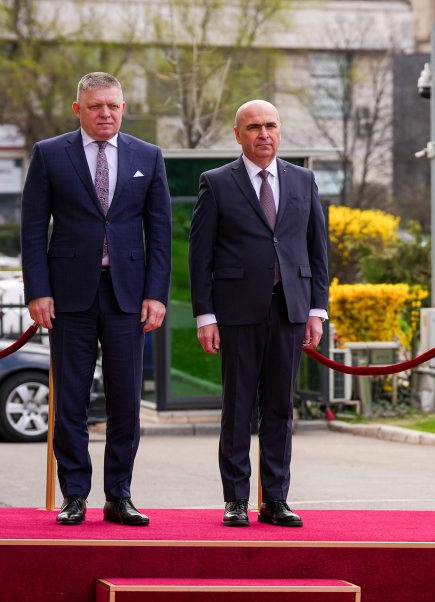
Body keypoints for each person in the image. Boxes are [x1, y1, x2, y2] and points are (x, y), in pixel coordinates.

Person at [21, 72, 172, 527]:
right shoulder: (49, 154)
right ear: (78, 109)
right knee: (70, 398)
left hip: (128, 296)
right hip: (68, 296)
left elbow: (160, 232)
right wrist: (38, 291)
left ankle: (119, 495)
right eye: (95, 107)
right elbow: (32, 228)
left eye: (113, 105)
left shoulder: (149, 156)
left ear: (123, 107)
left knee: (126, 400)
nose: (105, 113)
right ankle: (75, 495)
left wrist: (156, 295)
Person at [188, 100, 329, 528]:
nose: (263, 134)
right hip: (236, 311)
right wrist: (205, 316)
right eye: (253, 127)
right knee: (238, 407)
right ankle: (235, 500)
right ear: (238, 134)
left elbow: (318, 250)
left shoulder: (303, 180)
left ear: (280, 131)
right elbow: (200, 256)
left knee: (280, 409)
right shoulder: (216, 183)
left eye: (270, 125)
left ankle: (275, 499)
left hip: (290, 309)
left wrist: (316, 310)